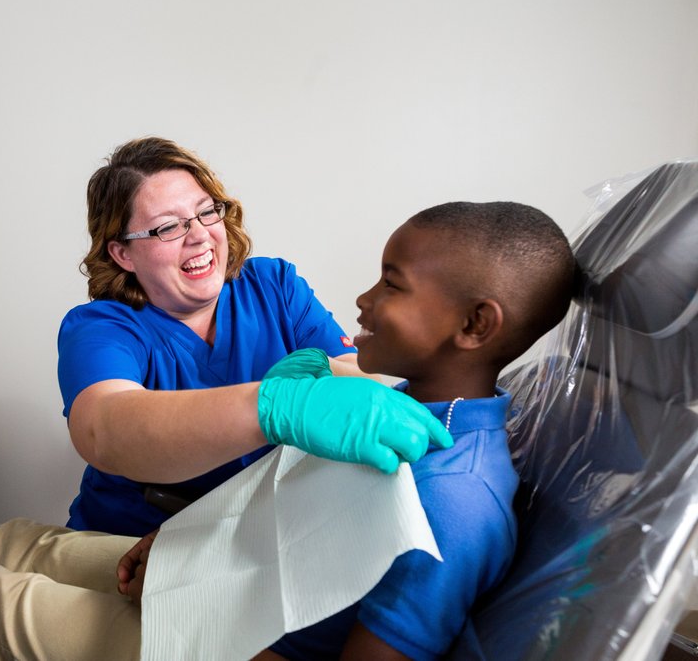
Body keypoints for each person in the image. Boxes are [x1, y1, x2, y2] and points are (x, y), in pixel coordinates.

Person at [117, 201, 576, 660]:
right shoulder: (400, 409)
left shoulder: (453, 500)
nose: (364, 299)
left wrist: (188, 607)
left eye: (392, 284)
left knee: (40, 588)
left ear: (475, 324)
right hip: (216, 589)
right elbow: (299, 527)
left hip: (209, 637)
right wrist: (187, 546)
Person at [58, 136, 451, 536]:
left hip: (258, 532)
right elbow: (102, 429)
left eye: (206, 212)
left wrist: (339, 374)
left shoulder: (273, 285)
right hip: (128, 545)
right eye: (168, 227)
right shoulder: (103, 327)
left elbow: (355, 374)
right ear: (123, 253)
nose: (199, 236)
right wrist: (275, 405)